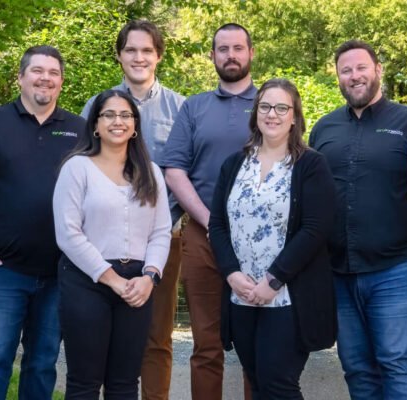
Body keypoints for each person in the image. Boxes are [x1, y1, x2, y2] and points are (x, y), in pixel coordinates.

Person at [308, 40, 407, 399]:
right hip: (339, 271)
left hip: (399, 267)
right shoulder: (324, 128)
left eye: (361, 68)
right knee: (357, 368)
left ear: (378, 70)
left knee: (399, 365)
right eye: (346, 70)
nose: (354, 76)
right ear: (338, 78)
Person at [208, 78, 337, 399]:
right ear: (256, 114)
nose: (272, 114)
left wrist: (274, 279)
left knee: (278, 384)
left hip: (287, 296)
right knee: (258, 382)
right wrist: (232, 274)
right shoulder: (235, 164)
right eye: (265, 106)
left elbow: (315, 229)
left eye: (281, 108)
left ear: (294, 116)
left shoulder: (310, 165)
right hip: (242, 293)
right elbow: (218, 224)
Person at [0, 45, 86, 400]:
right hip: (1, 268)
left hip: (59, 271)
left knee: (42, 363)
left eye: (53, 73)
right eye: (37, 71)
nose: (45, 79)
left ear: (61, 82)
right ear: (21, 77)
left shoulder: (79, 130)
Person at [80, 24, 185, 397]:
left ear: (159, 56)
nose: (139, 58)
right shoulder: (97, 106)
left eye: (147, 51)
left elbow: (187, 173)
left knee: (156, 338)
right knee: (103, 337)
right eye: (130, 50)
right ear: (119, 55)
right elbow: (82, 166)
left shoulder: (181, 108)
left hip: (163, 239)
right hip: (103, 242)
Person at [158, 23, 256, 400]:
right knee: (206, 346)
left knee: (256, 345)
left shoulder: (270, 102)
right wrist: (211, 221)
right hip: (202, 238)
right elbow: (174, 170)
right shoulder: (194, 107)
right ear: (212, 56)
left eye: (238, 48)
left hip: (258, 240)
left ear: (250, 53)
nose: (230, 55)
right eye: (222, 49)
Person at [55, 89, 173, 399]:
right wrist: (113, 280)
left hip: (137, 286)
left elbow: (161, 232)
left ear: (135, 126)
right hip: (87, 281)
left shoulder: (151, 173)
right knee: (84, 382)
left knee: (125, 383)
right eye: (108, 115)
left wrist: (149, 277)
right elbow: (68, 233)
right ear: (95, 125)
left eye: (125, 115)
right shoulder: (76, 168)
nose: (117, 121)